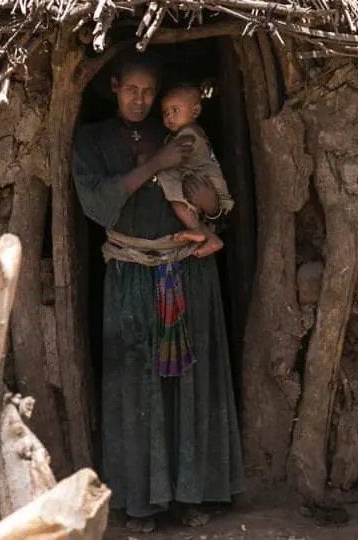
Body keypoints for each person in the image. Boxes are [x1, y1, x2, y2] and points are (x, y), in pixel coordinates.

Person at [71, 55, 245, 532]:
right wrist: (156, 165)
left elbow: (212, 197)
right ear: (114, 87)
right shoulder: (92, 139)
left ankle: (191, 493)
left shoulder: (178, 135)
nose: (141, 100)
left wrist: (207, 206)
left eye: (149, 92)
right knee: (134, 384)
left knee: (189, 380)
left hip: (187, 273)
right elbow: (97, 201)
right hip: (129, 277)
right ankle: (138, 501)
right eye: (132, 90)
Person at [155, 84, 232, 259]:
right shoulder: (190, 132)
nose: (169, 116)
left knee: (168, 183)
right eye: (165, 112)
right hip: (207, 184)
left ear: (195, 111)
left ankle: (197, 230)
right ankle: (211, 238)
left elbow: (171, 159)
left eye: (175, 110)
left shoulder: (188, 134)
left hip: (202, 182)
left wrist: (153, 164)